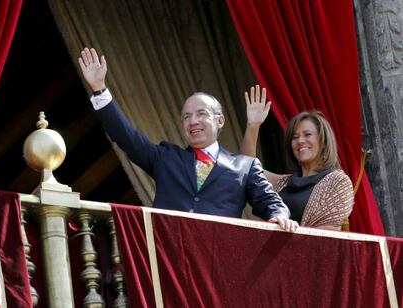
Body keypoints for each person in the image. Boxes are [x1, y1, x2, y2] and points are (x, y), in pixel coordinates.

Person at [78, 48, 298, 232]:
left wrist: (279, 216)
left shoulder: (245, 166)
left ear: (220, 120)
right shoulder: (165, 157)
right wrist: (99, 89)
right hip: (168, 258)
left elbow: (270, 202)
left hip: (216, 263)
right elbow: (126, 136)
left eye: (201, 114)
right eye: (186, 116)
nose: (193, 121)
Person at [241, 85, 354, 230]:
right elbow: (246, 167)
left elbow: (326, 236)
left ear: (323, 141)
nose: (300, 141)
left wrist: (290, 229)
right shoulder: (282, 183)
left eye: (307, 134)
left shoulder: (338, 182)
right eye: (295, 137)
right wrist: (253, 125)